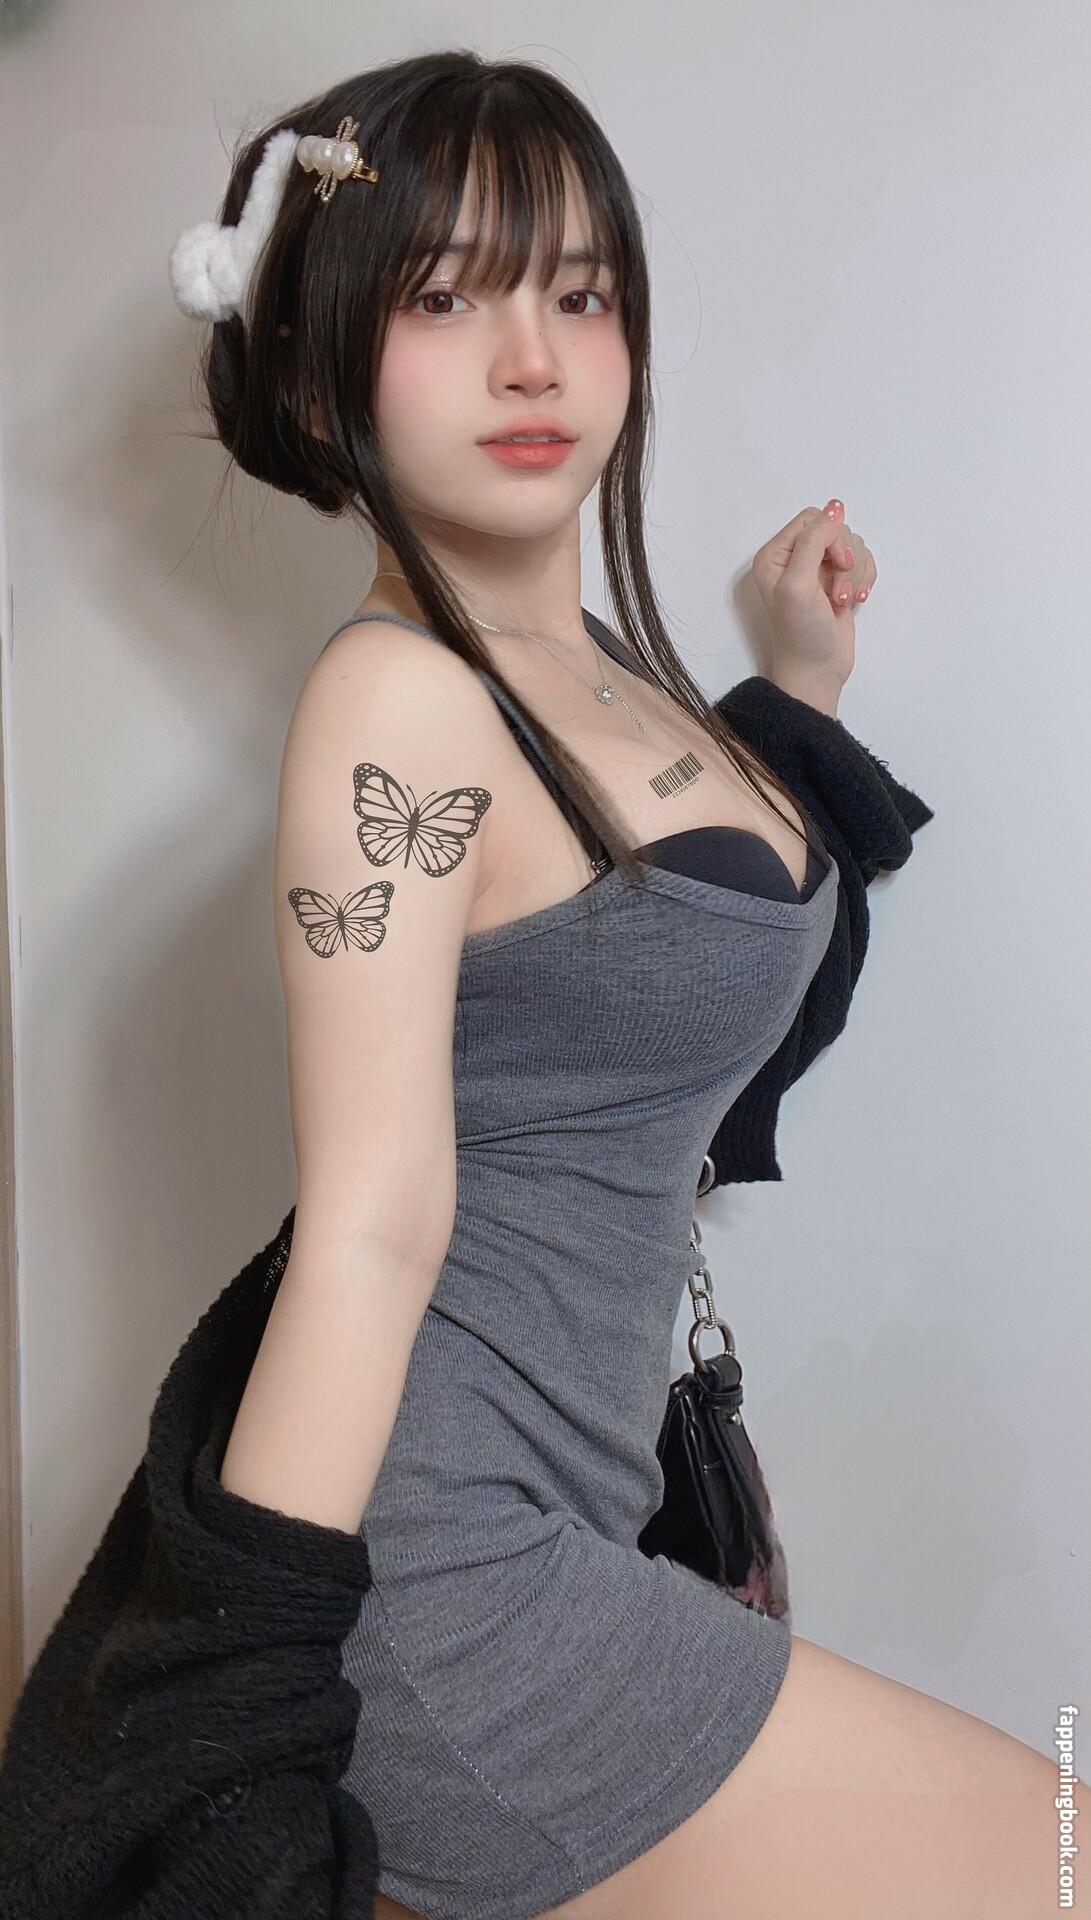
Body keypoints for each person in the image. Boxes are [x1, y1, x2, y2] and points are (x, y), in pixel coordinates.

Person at [167, 48, 1085, 1920]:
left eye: (580, 296)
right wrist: (235, 1699)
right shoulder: (400, 701)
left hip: (569, 1522)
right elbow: (368, 1231)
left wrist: (797, 693)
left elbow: (677, 976)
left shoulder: (602, 676)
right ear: (317, 366)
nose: (536, 360)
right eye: (447, 301)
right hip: (438, 1580)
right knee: (1056, 1857)